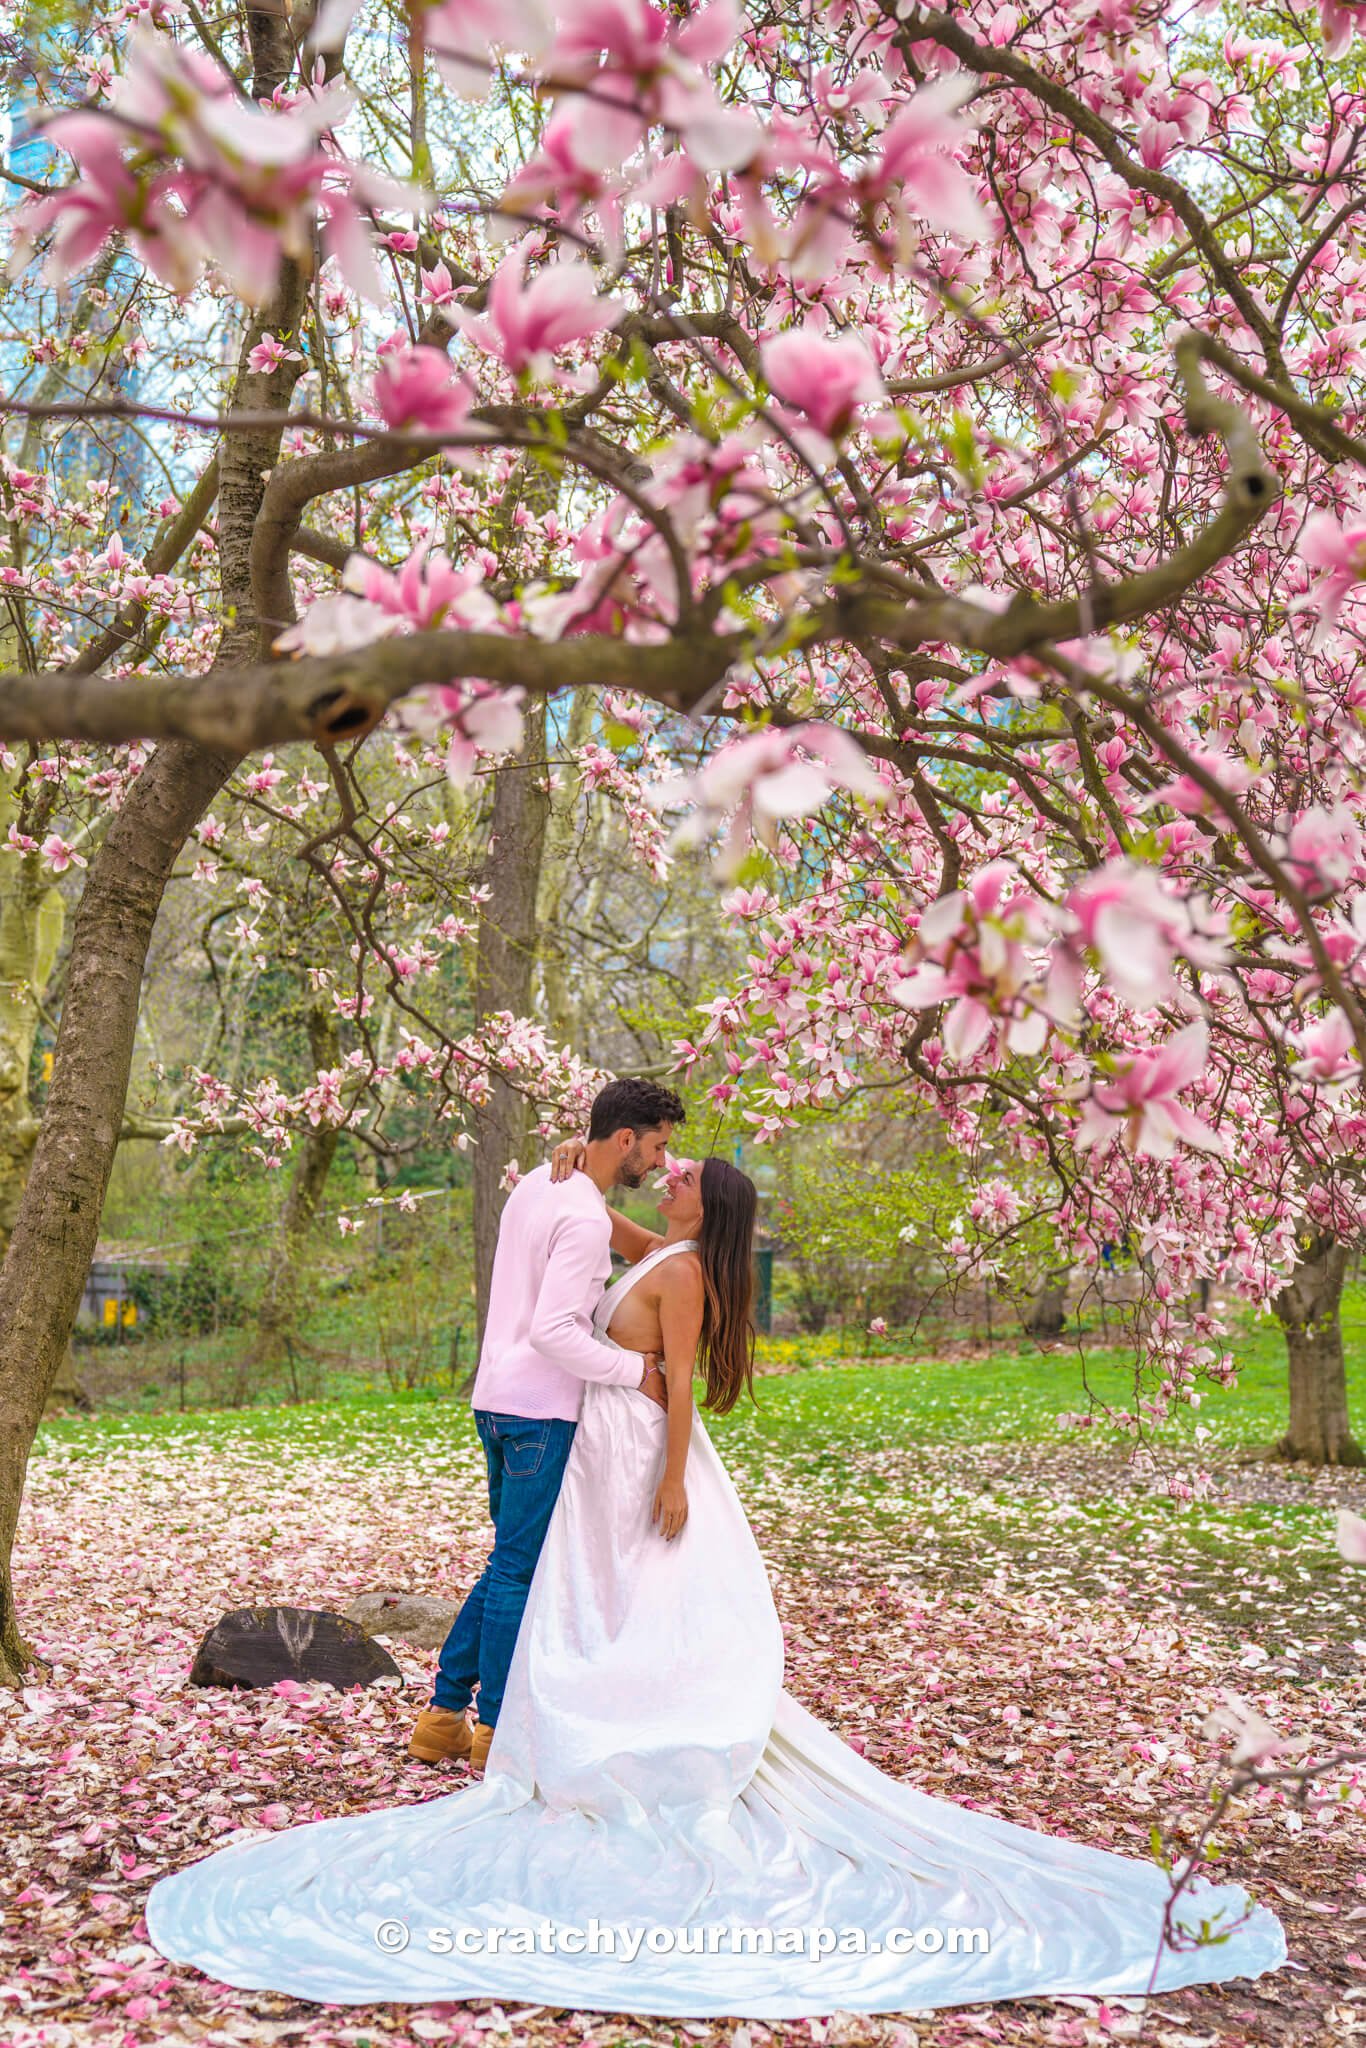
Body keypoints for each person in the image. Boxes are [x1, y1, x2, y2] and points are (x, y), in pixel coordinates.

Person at [145, 1137, 1287, 2018]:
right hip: (598, 1443)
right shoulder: (669, 1248)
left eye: (684, 1175)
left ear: (705, 1206)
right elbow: (624, 1236)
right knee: (578, 1591)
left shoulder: (684, 1273)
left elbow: (677, 1374)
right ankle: (514, 1710)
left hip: (639, 1448)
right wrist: (575, 1181)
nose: (672, 1174)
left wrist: (678, 1475)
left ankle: (598, 1719)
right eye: (668, 1164)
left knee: (622, 1591)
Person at [408, 1077, 685, 1776]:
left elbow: (651, 1248)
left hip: (495, 1403)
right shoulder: (585, 1215)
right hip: (538, 1412)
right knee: (517, 1572)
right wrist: (635, 1372)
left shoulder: (541, 1182)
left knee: (508, 1562)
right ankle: (494, 1728)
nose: (658, 1164)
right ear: (624, 1139)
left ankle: (442, 1718)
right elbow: (556, 1331)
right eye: (656, 1148)